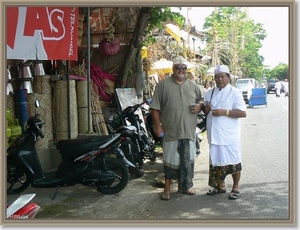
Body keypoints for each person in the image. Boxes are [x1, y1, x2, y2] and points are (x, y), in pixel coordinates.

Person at [150, 56, 203, 201]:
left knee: (187, 160)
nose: (181, 70)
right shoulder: (162, 85)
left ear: (186, 70)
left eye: (183, 68)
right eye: (178, 67)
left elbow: (201, 101)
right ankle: (167, 189)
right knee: (170, 161)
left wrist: (199, 106)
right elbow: (155, 107)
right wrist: (157, 125)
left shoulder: (193, 85)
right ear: (173, 69)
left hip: (188, 130)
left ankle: (186, 186)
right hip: (171, 130)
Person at [201, 64, 246, 200]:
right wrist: (206, 109)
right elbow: (205, 111)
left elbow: (242, 113)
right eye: (217, 77)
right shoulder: (209, 92)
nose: (219, 79)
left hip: (229, 136)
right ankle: (220, 186)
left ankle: (236, 187)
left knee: (233, 161)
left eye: (222, 76)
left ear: (228, 77)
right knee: (216, 161)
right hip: (214, 135)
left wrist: (224, 112)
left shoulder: (235, 92)